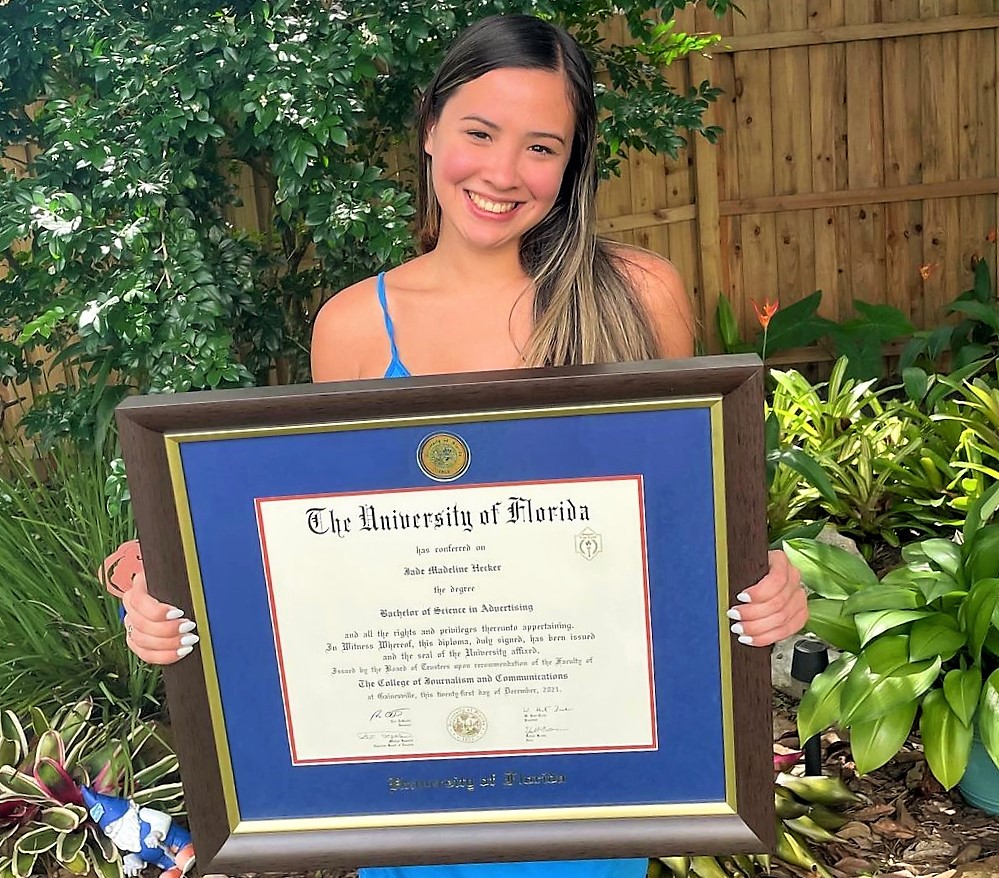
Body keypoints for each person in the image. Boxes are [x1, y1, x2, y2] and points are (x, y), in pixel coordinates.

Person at [103, 13, 807, 878]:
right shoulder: (356, 327)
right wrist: (158, 582)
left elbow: (686, 528)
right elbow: (333, 555)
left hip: (588, 764)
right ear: (431, 125)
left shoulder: (635, 295)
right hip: (413, 783)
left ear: (573, 161)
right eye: (480, 132)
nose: (504, 173)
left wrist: (770, 583)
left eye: (541, 146)